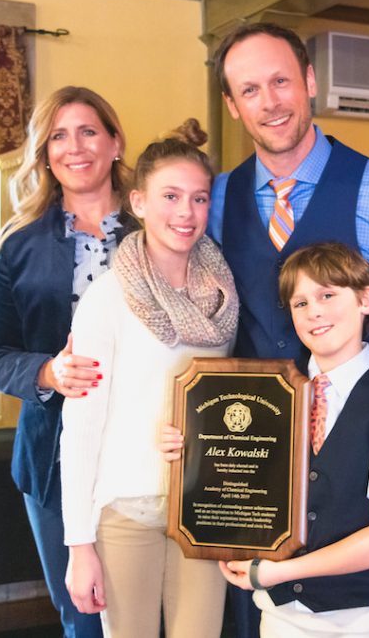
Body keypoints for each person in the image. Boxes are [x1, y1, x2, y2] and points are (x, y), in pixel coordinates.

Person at [208, 21, 369, 638]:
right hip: (255, 458)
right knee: (257, 614)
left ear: (310, 81)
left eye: (281, 80)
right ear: (233, 106)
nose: (270, 101)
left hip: (358, 458)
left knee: (361, 608)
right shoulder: (216, 199)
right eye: (250, 89)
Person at [60, 119, 238, 638]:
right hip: (125, 512)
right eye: (171, 195)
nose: (186, 212)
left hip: (203, 508)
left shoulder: (223, 296)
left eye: (200, 198)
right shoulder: (108, 298)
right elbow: (82, 427)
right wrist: (79, 545)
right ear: (138, 202)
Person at [0, 86, 135, 637]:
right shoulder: (16, 244)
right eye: (58, 136)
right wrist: (48, 373)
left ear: (115, 142)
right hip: (53, 460)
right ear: (45, 154)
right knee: (85, 613)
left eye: (89, 131)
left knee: (157, 611)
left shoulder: (162, 229)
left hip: (153, 453)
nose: (75, 147)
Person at [212, 241, 369, 637]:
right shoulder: (269, 395)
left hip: (361, 622)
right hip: (277, 620)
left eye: (327, 295)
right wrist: (187, 449)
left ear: (367, 300)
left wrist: (283, 571)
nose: (315, 312)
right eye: (300, 303)